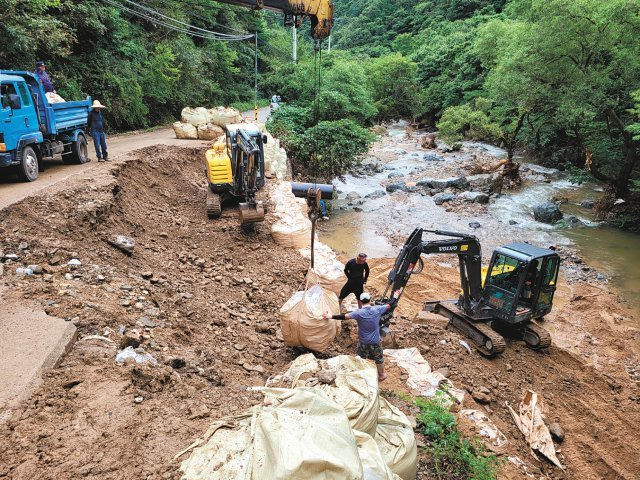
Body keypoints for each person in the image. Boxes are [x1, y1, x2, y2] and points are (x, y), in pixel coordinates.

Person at [323, 292, 397, 381]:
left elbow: (344, 316)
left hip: (363, 342)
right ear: (370, 300)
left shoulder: (358, 313)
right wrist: (395, 296)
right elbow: (390, 305)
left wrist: (329, 316)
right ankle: (381, 375)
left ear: (361, 302)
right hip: (375, 341)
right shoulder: (377, 309)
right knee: (379, 358)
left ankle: (362, 375)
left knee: (361, 359)